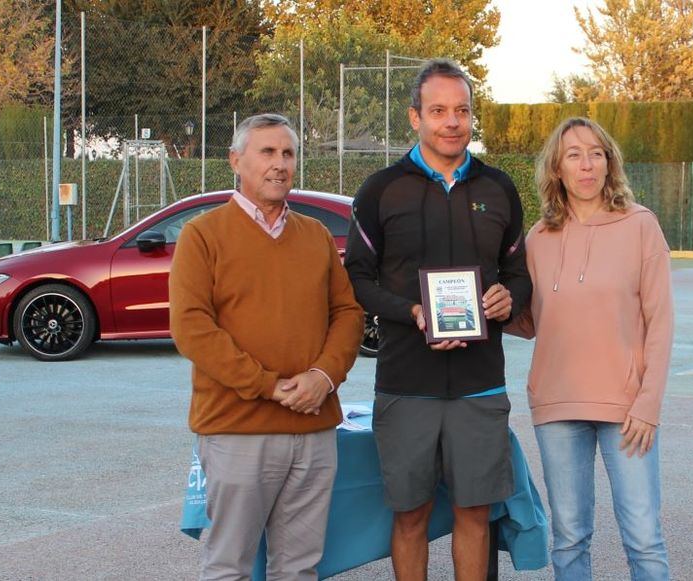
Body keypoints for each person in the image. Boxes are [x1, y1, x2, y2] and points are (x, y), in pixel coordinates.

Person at [344, 59, 532, 580]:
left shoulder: (500, 188)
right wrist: (411, 312)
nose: (453, 121)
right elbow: (357, 280)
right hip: (407, 386)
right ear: (415, 117)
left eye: (463, 110)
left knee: (475, 514)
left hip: (479, 386)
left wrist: (506, 298)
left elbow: (519, 274)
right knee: (411, 516)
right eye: (439, 111)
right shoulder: (380, 190)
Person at [169, 113, 364, 581]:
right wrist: (267, 386)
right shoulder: (203, 235)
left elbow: (348, 314)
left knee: (299, 568)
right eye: (267, 152)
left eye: (288, 153)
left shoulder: (316, 236)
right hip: (238, 430)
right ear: (236, 160)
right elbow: (191, 327)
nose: (279, 164)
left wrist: (323, 377)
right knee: (229, 567)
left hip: (314, 430)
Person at [508, 117, 672, 580]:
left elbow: (661, 322)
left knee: (643, 538)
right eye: (574, 155)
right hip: (557, 405)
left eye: (596, 153)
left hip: (627, 411)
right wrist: (485, 309)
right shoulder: (538, 238)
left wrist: (648, 403)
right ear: (557, 168)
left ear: (609, 163)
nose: (586, 164)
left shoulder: (641, 225)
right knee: (569, 539)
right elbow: (533, 322)